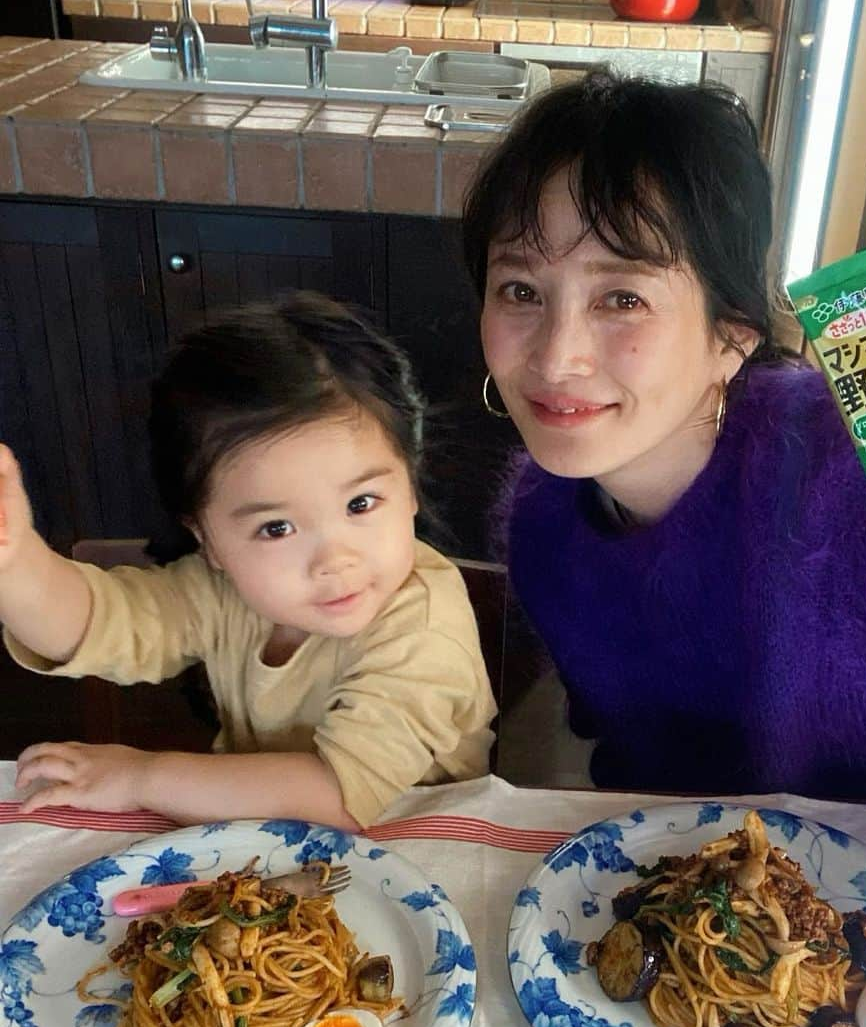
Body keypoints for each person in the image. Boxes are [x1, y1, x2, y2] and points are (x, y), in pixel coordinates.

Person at [461, 69, 866, 806]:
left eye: (622, 297)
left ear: (733, 336)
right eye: (521, 291)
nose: (557, 358)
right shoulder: (541, 527)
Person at [0, 292, 496, 827]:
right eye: (276, 528)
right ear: (207, 538)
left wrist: (140, 777)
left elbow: (335, 796)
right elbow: (94, 623)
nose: (334, 559)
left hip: (428, 859)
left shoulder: (423, 628)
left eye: (361, 503)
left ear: (411, 486)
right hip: (273, 859)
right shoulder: (223, 591)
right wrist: (14, 557)